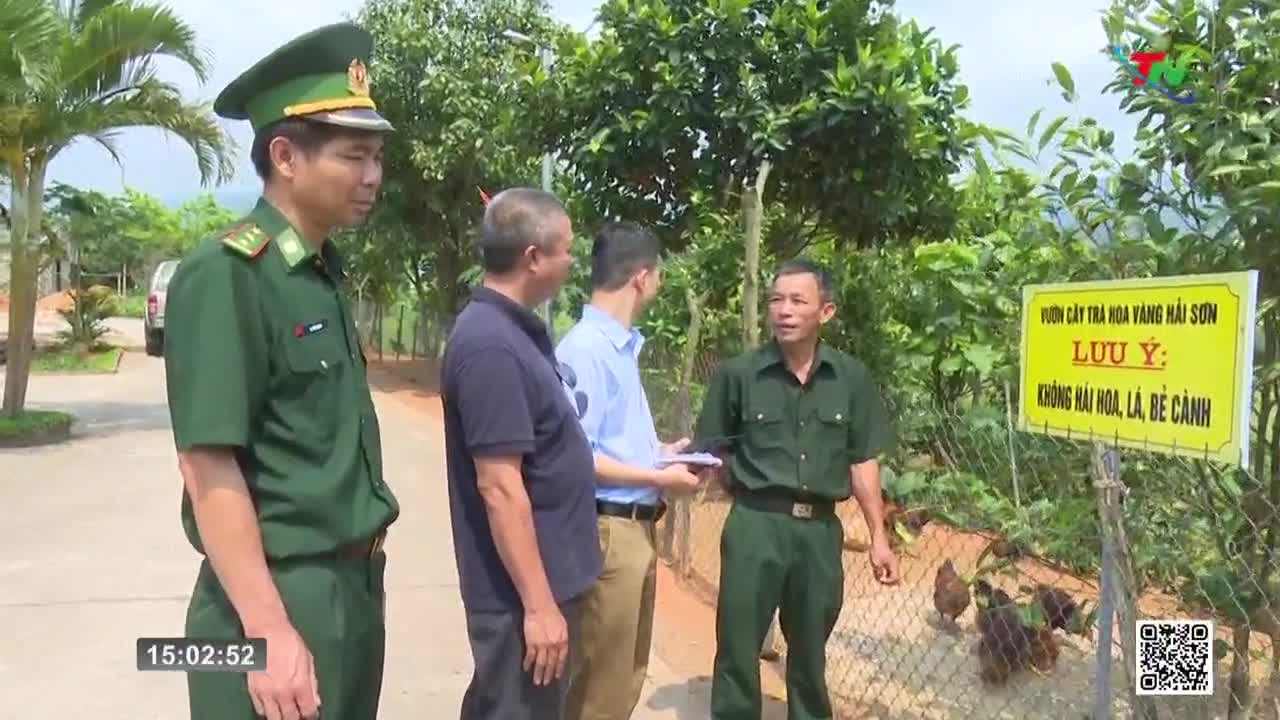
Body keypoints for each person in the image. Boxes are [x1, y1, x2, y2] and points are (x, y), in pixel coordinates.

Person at [162, 22, 398, 720]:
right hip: (276, 600)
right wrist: (267, 632)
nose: (373, 177)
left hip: (352, 589)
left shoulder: (320, 271)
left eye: (378, 157)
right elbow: (209, 468)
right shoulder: (227, 275)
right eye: (355, 157)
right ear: (286, 156)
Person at [693, 258, 900, 720]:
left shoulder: (851, 378)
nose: (783, 311)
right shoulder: (739, 374)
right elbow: (712, 449)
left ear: (825, 312)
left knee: (810, 652)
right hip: (755, 525)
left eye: (797, 301)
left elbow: (863, 459)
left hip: (820, 533)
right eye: (775, 300)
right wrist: (741, 492)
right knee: (737, 646)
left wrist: (879, 536)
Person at [441, 187, 602, 720]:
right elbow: (500, 486)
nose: (572, 261)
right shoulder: (491, 345)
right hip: (520, 599)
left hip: (540, 588)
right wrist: (537, 606)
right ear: (534, 258)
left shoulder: (513, 332)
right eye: (566, 249)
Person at [554, 222, 703, 720]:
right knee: (600, 687)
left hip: (632, 530)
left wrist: (661, 452)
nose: (658, 283)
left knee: (623, 679)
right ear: (642, 277)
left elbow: (606, 439)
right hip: (608, 531)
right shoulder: (588, 349)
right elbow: (578, 456)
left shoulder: (618, 348)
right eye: (658, 274)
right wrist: (661, 479)